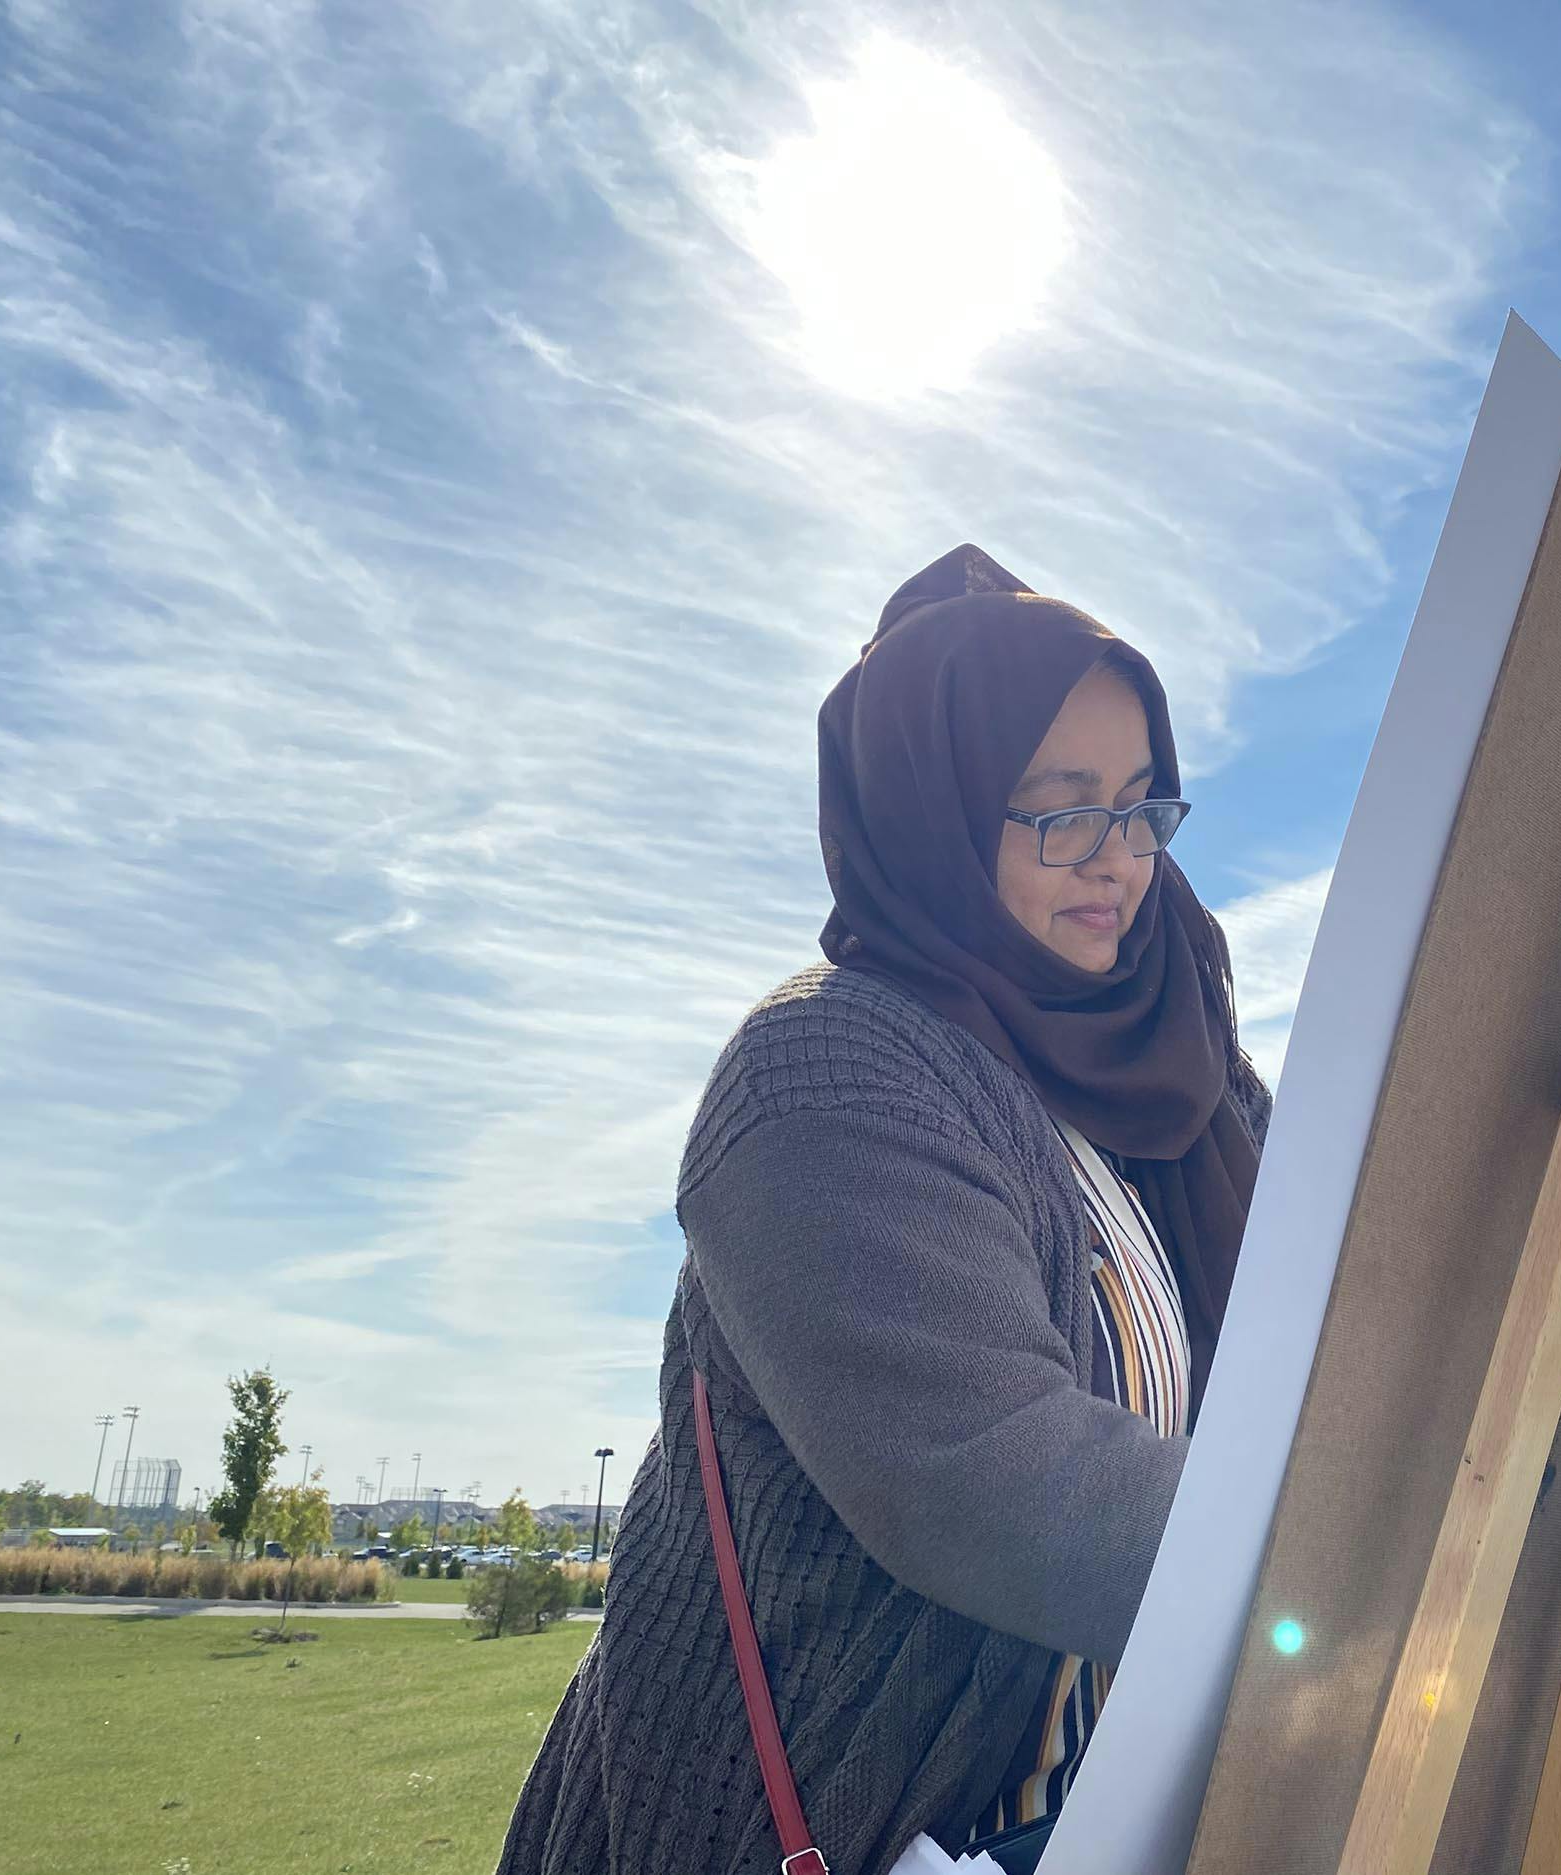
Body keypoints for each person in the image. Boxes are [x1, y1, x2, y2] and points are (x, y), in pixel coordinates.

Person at [499, 545, 1270, 1875]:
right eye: (1060, 810)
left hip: (1095, 1822)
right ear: (936, 809)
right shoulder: (828, 1074)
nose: (1121, 860)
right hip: (811, 1836)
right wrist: (1399, 1555)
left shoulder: (1166, 1096)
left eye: (1143, 807)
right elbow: (1000, 1484)